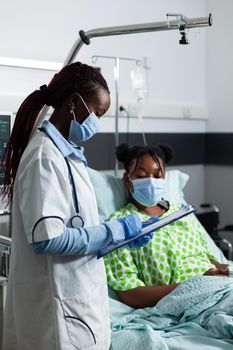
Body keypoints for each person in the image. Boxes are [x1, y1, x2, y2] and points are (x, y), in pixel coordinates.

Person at [1, 62, 152, 350]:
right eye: (97, 113)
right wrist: (114, 230)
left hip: (78, 299)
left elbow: (78, 228)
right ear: (73, 103)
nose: (97, 122)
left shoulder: (69, 156)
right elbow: (48, 239)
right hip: (56, 311)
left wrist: (118, 238)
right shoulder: (45, 157)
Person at [104, 143, 229, 309]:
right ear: (128, 179)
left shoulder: (182, 213)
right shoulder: (120, 225)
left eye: (157, 176)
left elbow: (209, 257)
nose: (151, 181)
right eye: (141, 176)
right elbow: (130, 293)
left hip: (221, 288)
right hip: (189, 299)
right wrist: (194, 285)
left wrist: (223, 271)